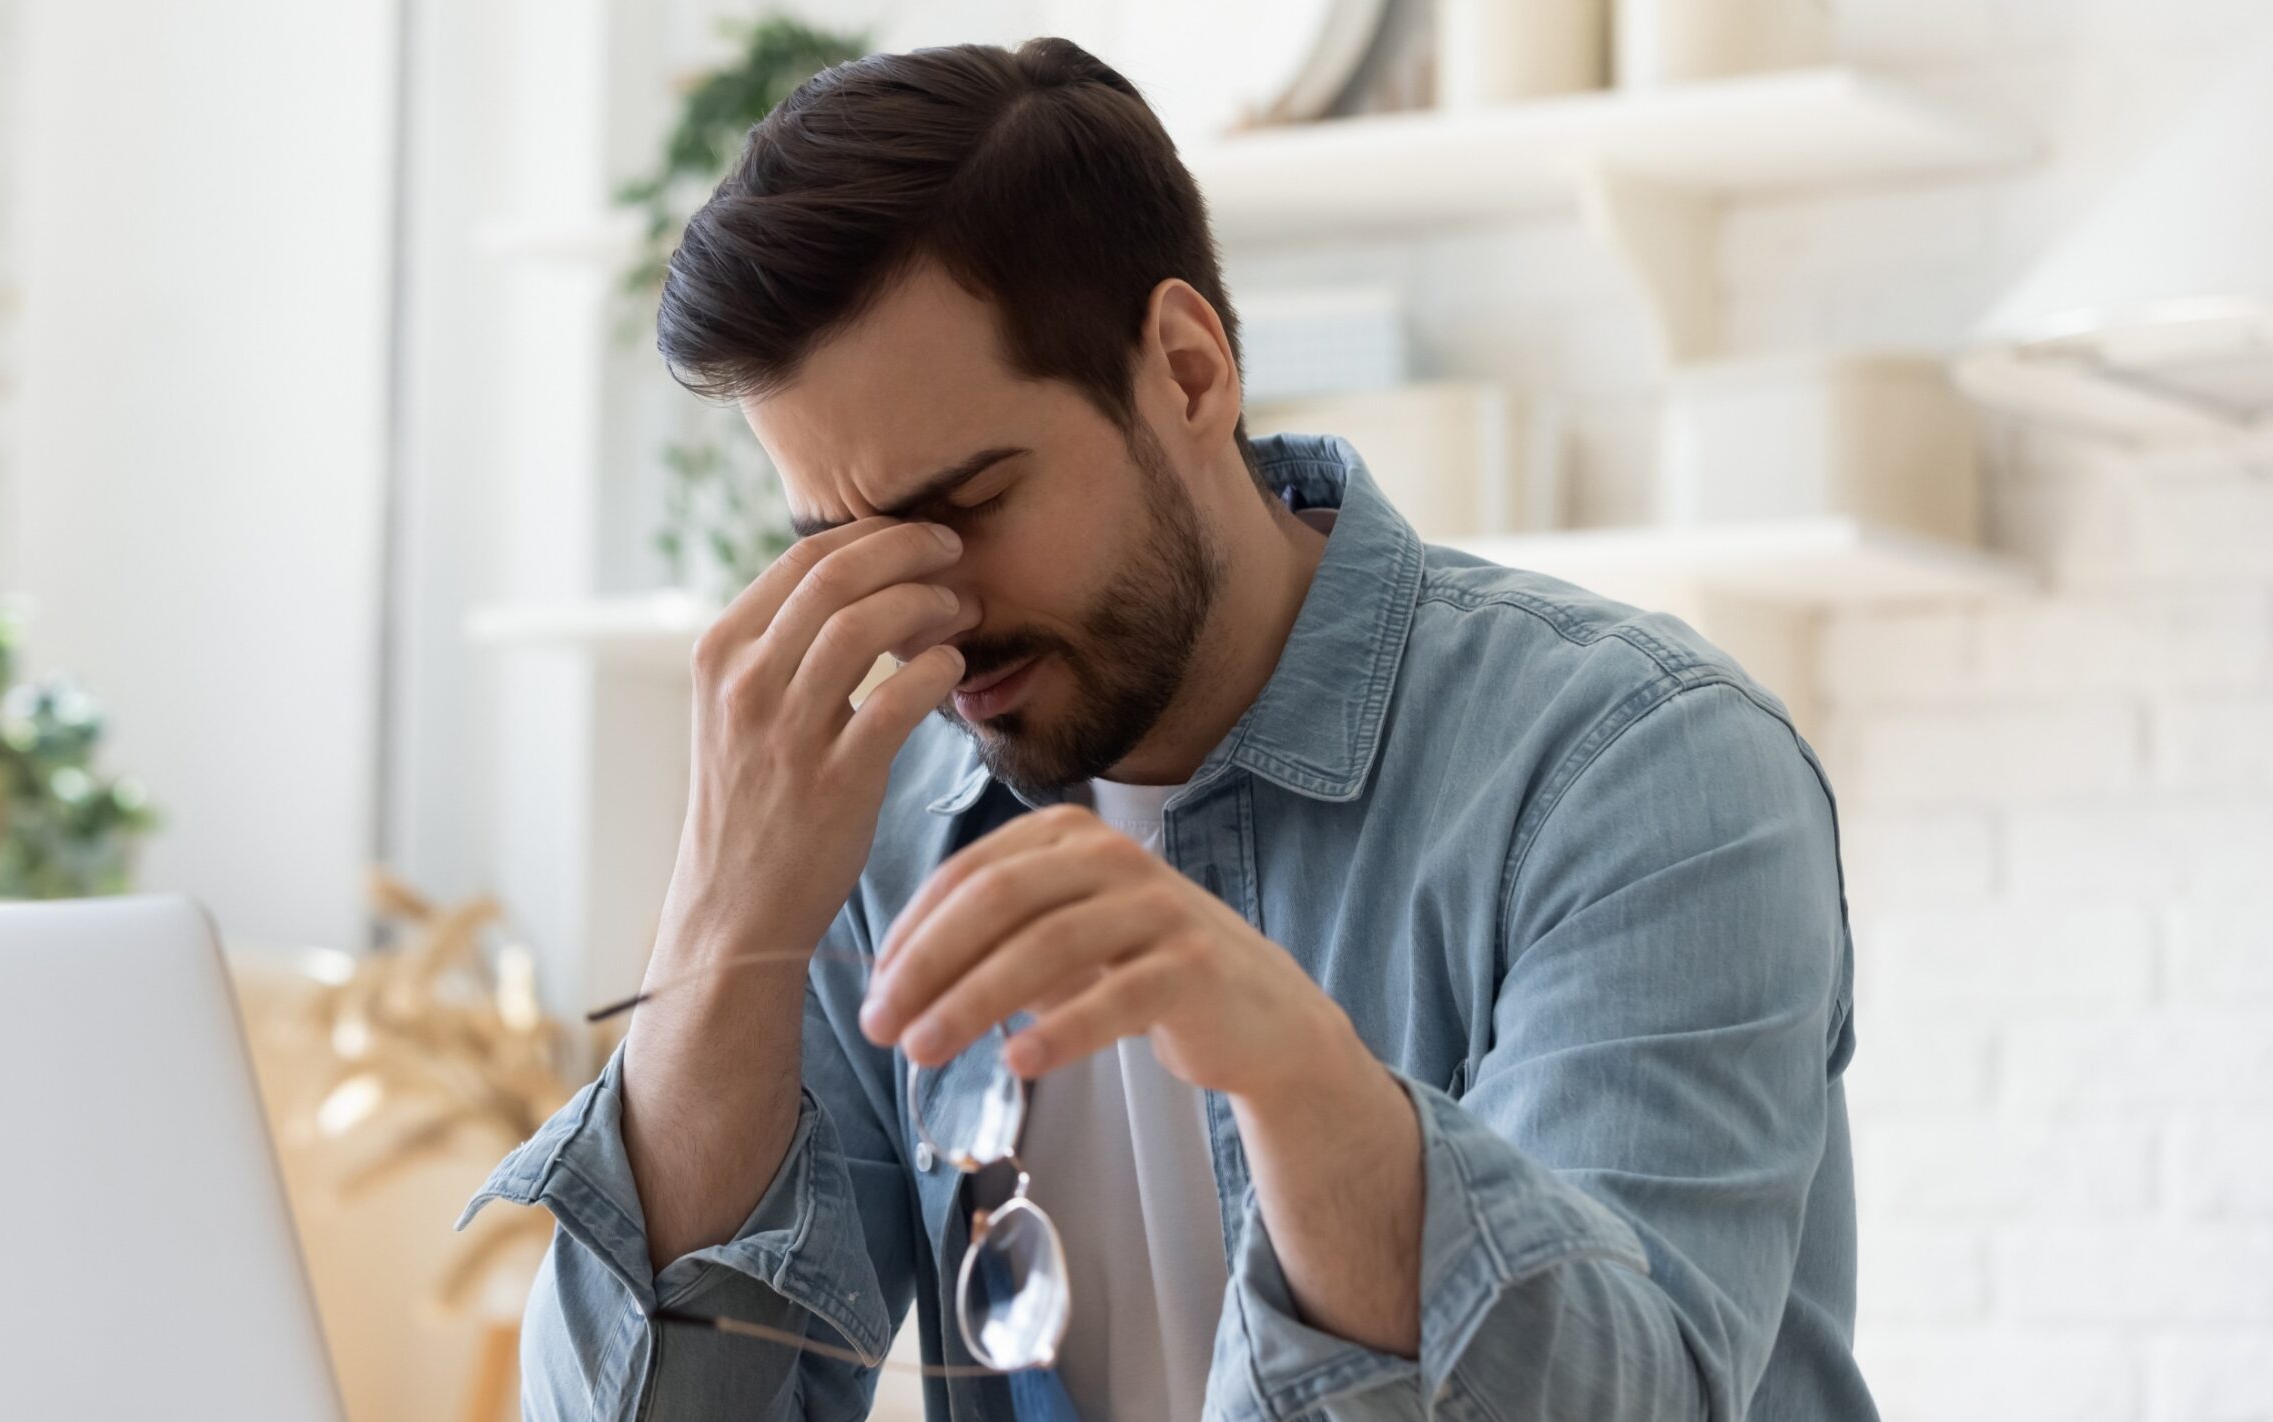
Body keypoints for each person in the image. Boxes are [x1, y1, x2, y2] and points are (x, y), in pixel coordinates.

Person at [460, 36, 1875, 1422]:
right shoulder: (879, 832)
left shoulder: (1643, 766)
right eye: (843, 548)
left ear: (1190, 371)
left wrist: (1299, 1075)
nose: (927, 617)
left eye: (967, 507)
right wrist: (719, 917)